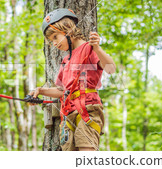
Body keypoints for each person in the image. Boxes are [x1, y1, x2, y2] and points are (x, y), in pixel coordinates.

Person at [28, 8, 116, 151]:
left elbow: (111, 69)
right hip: (69, 115)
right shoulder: (66, 60)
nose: (54, 43)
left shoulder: (90, 49)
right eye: (51, 41)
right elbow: (62, 90)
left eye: (55, 37)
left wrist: (98, 49)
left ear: (67, 28)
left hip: (87, 110)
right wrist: (40, 90)